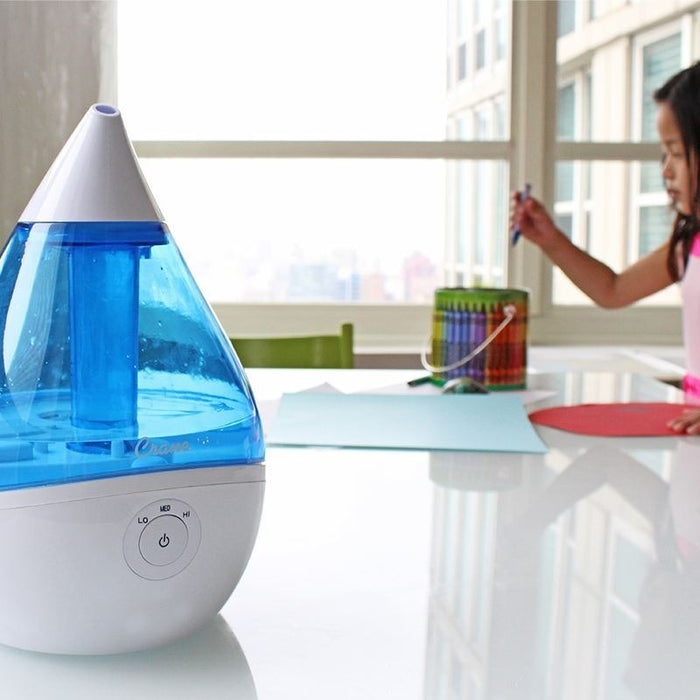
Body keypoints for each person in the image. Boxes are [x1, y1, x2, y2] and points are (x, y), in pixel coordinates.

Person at [510, 61, 700, 435]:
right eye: (664, 154)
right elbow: (613, 290)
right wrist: (551, 239)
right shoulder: (688, 244)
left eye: (677, 153)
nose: (665, 170)